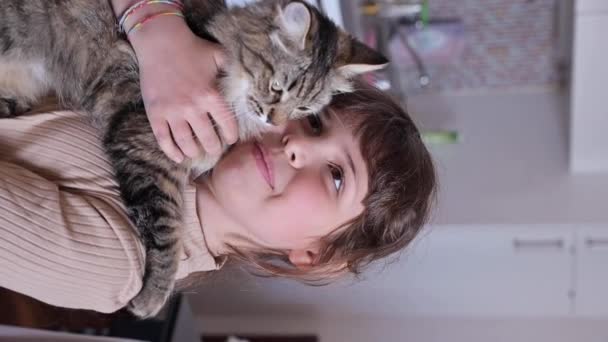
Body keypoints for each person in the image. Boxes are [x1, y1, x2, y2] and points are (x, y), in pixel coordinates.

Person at [0, 0, 437, 314]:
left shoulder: (118, 266)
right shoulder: (201, 67)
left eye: (337, 177)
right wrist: (153, 23)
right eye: (317, 123)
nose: (297, 145)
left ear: (313, 253)